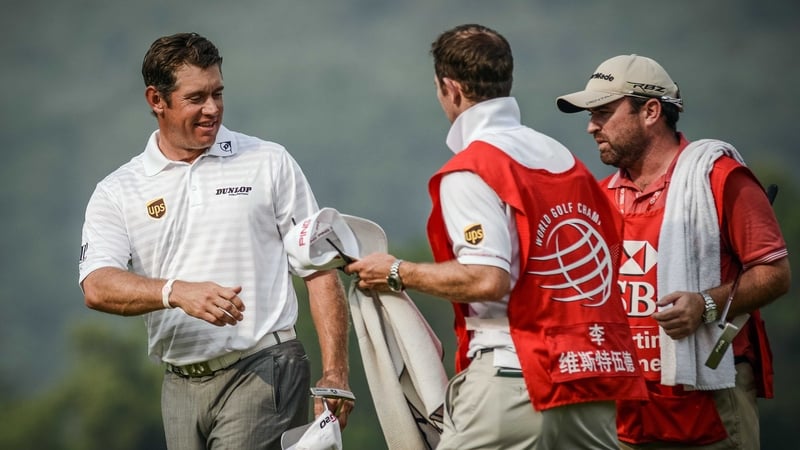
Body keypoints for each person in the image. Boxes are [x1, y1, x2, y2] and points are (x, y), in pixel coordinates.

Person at [346, 24, 647, 450]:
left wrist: (396, 271)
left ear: (450, 89)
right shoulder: (566, 159)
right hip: (592, 382)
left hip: (515, 379)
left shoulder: (473, 168)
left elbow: (488, 279)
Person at [78, 32, 353, 450]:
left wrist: (336, 372)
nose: (212, 109)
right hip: (179, 383)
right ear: (156, 100)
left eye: (218, 93)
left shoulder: (268, 161)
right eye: (196, 98)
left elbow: (319, 270)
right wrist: (175, 292)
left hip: (265, 367)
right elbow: (97, 285)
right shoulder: (118, 190)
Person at [556, 54, 791, 449]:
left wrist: (705, 304)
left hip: (710, 401)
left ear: (650, 111)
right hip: (626, 407)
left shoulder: (720, 180)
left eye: (604, 113)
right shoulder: (597, 197)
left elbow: (775, 274)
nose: (591, 126)